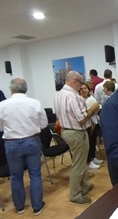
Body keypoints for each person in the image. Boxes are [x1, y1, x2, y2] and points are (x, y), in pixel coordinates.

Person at [0, 78, 48, 216]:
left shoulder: (2, 105)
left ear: (11, 89)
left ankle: (20, 207)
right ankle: (37, 207)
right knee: (35, 175)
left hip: (11, 143)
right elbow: (44, 124)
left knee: (15, 176)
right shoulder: (35, 103)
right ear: (26, 89)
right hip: (32, 141)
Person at [54, 71, 100, 205]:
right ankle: (75, 194)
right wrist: (93, 109)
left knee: (81, 161)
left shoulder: (58, 95)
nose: (81, 86)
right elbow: (81, 119)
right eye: (81, 83)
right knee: (78, 165)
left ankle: (84, 186)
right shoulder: (73, 97)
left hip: (67, 131)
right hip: (76, 132)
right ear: (74, 81)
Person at [78, 83, 103, 170]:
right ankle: (88, 162)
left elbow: (97, 107)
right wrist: (93, 109)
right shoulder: (79, 100)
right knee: (87, 143)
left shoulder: (91, 98)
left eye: (85, 88)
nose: (84, 90)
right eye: (81, 89)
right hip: (87, 125)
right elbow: (84, 114)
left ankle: (93, 157)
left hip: (94, 122)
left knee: (93, 142)